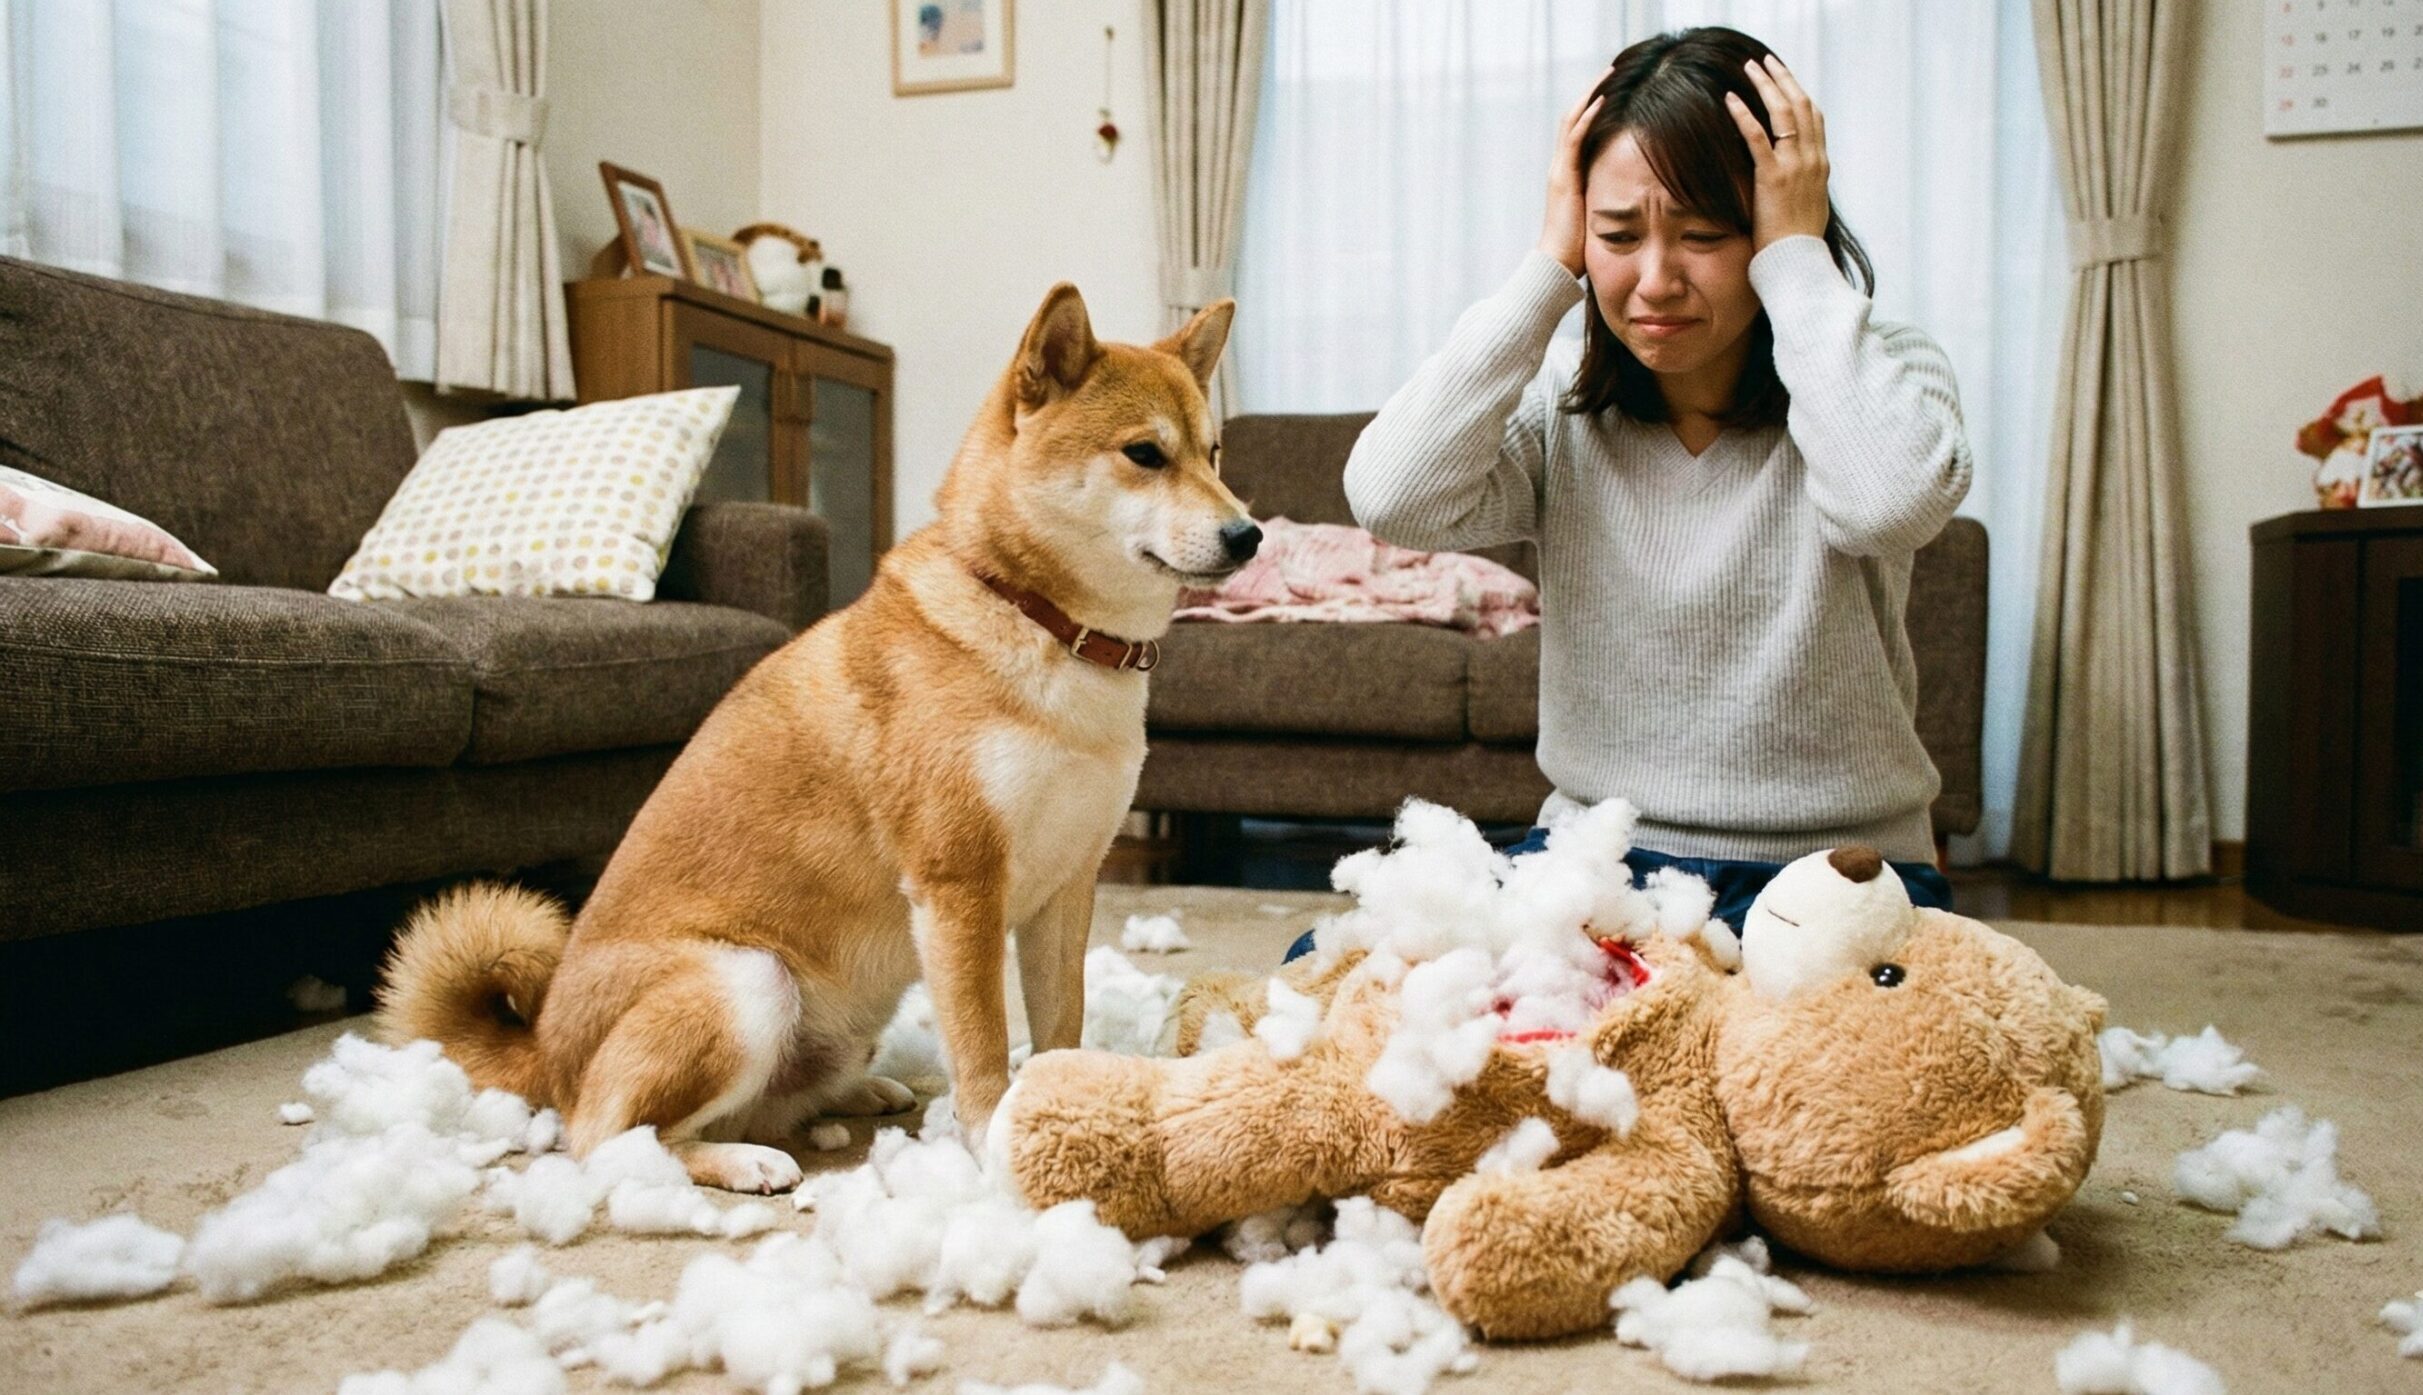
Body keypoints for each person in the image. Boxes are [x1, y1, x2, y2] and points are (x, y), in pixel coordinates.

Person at [1287, 28, 1967, 959]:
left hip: (1833, 878)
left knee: (1806, 1078)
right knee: (1352, 979)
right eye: (1616, 236)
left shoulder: (1883, 372)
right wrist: (1544, 271)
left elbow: (1888, 503)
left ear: (1771, 227)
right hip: (1599, 867)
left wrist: (1799, 262)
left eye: (1705, 235)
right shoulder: (1560, 411)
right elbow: (1393, 497)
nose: (1655, 281)